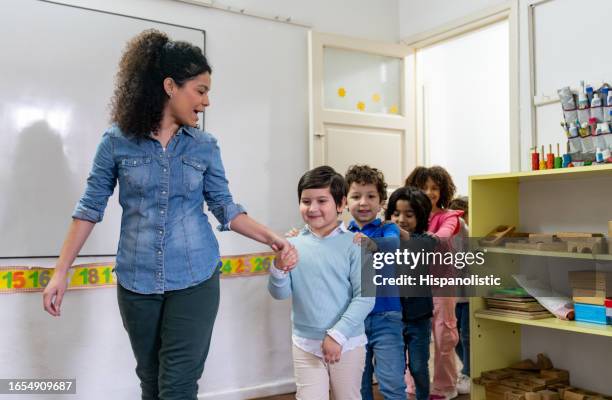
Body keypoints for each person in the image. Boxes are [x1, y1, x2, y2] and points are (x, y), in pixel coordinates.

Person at [42, 29, 297, 400]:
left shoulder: (205, 146)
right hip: (136, 281)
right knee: (151, 381)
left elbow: (225, 207)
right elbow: (89, 208)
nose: (207, 101)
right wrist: (60, 272)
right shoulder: (115, 141)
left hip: (195, 279)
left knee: (177, 387)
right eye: (201, 90)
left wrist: (272, 236)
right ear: (169, 86)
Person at [269, 166, 375, 400]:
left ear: (340, 203)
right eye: (306, 201)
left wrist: (336, 336)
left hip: (347, 342)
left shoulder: (362, 245)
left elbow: (366, 297)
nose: (312, 208)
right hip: (305, 343)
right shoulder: (291, 243)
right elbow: (280, 293)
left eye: (321, 201)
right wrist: (278, 267)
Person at [341, 165, 406, 400]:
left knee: (392, 383)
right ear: (345, 202)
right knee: (358, 386)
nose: (363, 202)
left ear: (381, 203)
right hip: (353, 319)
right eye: (356, 196)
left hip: (386, 316)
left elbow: (392, 245)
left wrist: (363, 241)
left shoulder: (387, 229)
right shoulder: (342, 232)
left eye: (371, 196)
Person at [405, 166, 464, 400]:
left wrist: (429, 238)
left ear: (443, 191)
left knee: (444, 334)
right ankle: (412, 384)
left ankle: (445, 386)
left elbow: (445, 233)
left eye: (434, 188)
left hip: (441, 284)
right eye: (423, 187)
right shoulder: (407, 215)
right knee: (411, 333)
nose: (429, 192)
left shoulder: (448, 216)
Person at [386, 186, 435, 400]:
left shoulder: (426, 241)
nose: (401, 219)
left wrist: (394, 230)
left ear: (421, 216)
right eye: (396, 214)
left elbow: (412, 242)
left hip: (418, 318)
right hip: (392, 318)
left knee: (417, 367)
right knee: (394, 369)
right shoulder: (387, 242)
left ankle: (423, 396)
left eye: (409, 214)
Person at [448, 196, 470, 394]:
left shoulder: (468, 235)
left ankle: (468, 371)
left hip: (468, 298)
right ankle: (466, 368)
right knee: (455, 338)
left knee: (467, 337)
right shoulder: (449, 237)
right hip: (453, 298)